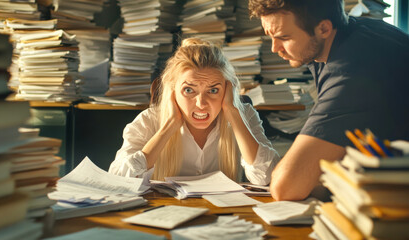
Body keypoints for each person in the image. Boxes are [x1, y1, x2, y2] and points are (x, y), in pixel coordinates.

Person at [248, 0, 409, 200]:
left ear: (323, 28)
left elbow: (286, 189)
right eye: (270, 36)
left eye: (284, 37)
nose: (274, 48)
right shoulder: (360, 31)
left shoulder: (350, 74)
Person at [109, 38, 280, 184]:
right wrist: (169, 126)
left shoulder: (245, 115)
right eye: (189, 90)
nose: (201, 103)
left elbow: (266, 177)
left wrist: (232, 113)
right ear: (172, 89)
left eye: (213, 90)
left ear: (227, 90)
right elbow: (119, 180)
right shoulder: (149, 120)